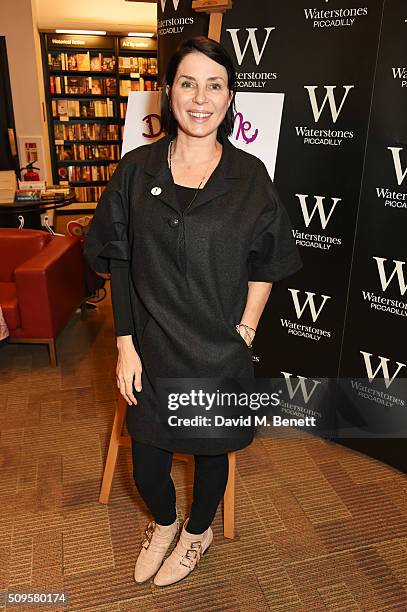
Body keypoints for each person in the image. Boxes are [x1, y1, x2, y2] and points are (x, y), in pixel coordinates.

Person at [84, 36, 303, 587]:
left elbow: (267, 261)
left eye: (215, 85)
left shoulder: (251, 177)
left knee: (212, 457)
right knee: (148, 466)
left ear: (230, 99)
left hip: (218, 351)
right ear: (168, 92)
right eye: (188, 82)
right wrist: (125, 343)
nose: (200, 97)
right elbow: (117, 259)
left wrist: (247, 328)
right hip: (151, 350)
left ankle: (197, 532)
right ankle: (164, 523)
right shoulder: (136, 170)